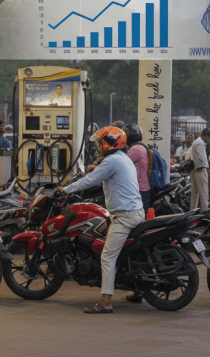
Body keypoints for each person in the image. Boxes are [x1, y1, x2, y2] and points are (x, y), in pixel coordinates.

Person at [53, 126, 143, 313]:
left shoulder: (112, 161)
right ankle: (137, 290)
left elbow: (89, 180)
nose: (97, 147)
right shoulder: (123, 158)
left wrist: (65, 189)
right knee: (128, 254)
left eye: (99, 143)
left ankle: (106, 302)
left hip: (124, 216)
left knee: (107, 257)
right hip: (135, 212)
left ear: (109, 144)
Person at [123, 124, 150, 211]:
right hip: (145, 187)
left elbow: (121, 164)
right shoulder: (141, 146)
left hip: (139, 189)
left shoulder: (135, 149)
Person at [190, 128, 210, 211]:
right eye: (209, 138)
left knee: (195, 192)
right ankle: (205, 209)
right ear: (206, 136)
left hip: (195, 169)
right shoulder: (200, 143)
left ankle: (193, 210)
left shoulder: (196, 142)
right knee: (204, 191)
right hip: (200, 169)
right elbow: (201, 156)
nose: (208, 140)